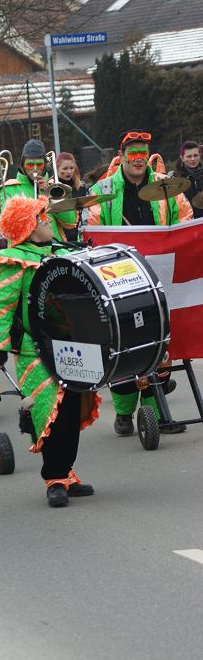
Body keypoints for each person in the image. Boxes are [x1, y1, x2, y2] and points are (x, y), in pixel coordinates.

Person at [0, 195, 99, 508]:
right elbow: (0, 306)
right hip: (35, 350)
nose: (48, 223)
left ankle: (66, 472)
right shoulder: (14, 261)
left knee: (69, 409)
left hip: (70, 344)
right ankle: (53, 478)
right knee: (47, 412)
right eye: (42, 219)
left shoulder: (57, 253)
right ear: (27, 228)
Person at [85, 129, 193, 437]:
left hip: (159, 276)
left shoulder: (167, 187)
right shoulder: (103, 189)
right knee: (125, 346)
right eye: (132, 153)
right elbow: (91, 232)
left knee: (160, 343)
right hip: (118, 279)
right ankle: (123, 412)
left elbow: (184, 220)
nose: (138, 159)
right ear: (122, 155)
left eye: (143, 153)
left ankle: (157, 414)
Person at [0, 139, 75, 241]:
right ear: (22, 166)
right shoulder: (9, 189)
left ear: (45, 166)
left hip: (54, 247)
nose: (35, 169)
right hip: (24, 249)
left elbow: (70, 221)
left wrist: (49, 193)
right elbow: (7, 227)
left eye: (39, 164)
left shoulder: (55, 187)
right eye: (30, 164)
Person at [54, 152, 87, 242]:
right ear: (56, 169)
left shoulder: (81, 188)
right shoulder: (51, 187)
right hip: (59, 238)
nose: (69, 172)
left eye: (71, 168)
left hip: (78, 237)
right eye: (65, 168)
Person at [173, 141, 203, 219]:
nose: (193, 159)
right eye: (189, 156)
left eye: (196, 155)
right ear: (182, 158)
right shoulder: (176, 179)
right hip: (187, 222)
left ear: (200, 156)